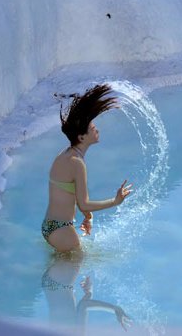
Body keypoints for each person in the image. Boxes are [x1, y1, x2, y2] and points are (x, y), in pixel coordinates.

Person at [42, 84, 133, 253]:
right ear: (82, 137)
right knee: (77, 273)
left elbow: (68, 193)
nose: (96, 129)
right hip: (62, 230)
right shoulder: (77, 162)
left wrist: (87, 216)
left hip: (51, 226)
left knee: (64, 274)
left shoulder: (66, 154)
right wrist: (115, 201)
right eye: (92, 129)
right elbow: (84, 203)